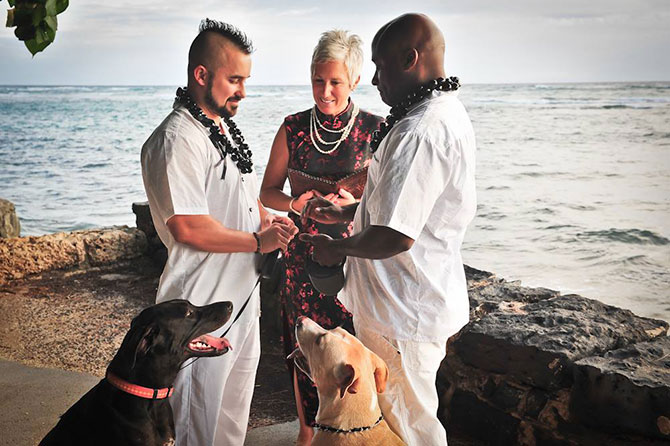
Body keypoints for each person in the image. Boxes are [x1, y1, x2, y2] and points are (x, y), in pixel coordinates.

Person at [300, 13, 476, 446]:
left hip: (404, 313)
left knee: (409, 428)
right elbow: (404, 210)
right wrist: (346, 215)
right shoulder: (435, 113)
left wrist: (337, 249)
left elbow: (398, 235)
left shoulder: (422, 130)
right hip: (399, 307)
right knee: (395, 425)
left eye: (379, 66)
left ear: (410, 59)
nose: (374, 79)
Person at [140, 19, 297, 446]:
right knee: (196, 422)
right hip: (198, 306)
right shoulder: (177, 139)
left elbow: (241, 201)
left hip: (242, 302)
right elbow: (188, 226)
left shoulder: (223, 131)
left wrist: (267, 220)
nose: (243, 91)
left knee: (231, 419)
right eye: (235, 79)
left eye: (246, 80)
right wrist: (256, 242)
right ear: (201, 75)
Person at [259, 30, 382, 445]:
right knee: (305, 345)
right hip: (301, 258)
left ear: (355, 81)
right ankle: (307, 433)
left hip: (355, 257)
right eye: (317, 80)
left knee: (357, 345)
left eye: (335, 82)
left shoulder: (376, 129)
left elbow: (388, 201)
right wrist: (298, 203)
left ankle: (358, 430)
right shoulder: (293, 127)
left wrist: (353, 203)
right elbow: (268, 191)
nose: (325, 91)